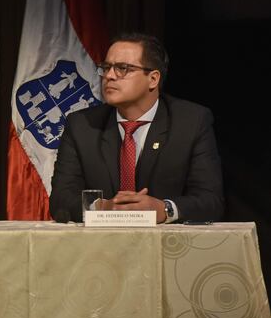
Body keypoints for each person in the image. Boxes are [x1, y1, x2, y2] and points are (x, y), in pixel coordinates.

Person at [49, 33, 224, 223]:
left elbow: (210, 201)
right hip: (99, 246)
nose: (109, 76)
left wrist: (164, 209)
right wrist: (100, 207)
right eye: (106, 67)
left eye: (123, 68)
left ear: (153, 79)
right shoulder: (82, 125)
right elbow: (60, 200)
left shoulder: (191, 122)